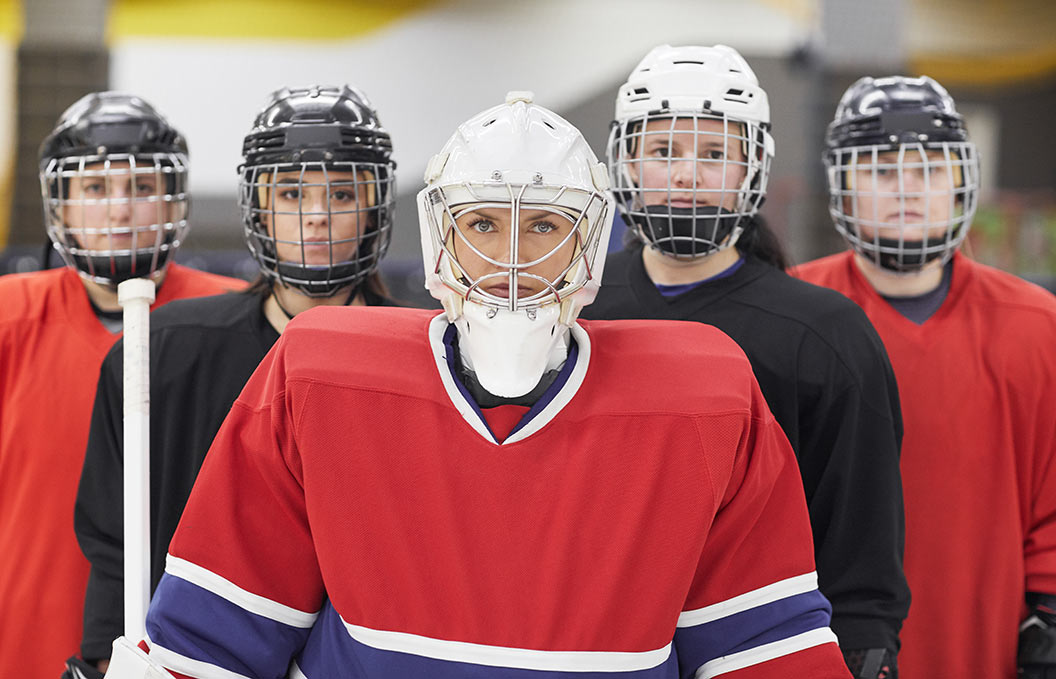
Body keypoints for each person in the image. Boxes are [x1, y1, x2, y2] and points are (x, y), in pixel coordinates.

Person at [101, 92, 851, 679]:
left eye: (545, 226)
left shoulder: (705, 398)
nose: (513, 260)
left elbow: (763, 649)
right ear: (441, 237)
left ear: (588, 245)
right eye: (484, 224)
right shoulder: (319, 376)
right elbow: (213, 643)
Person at [581, 45, 909, 678]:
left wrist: (865, 648)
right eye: (663, 152)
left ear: (751, 166)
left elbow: (859, 540)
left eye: (712, 154)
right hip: (602, 642)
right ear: (625, 161)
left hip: (761, 645)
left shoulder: (825, 333)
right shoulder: (577, 302)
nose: (686, 175)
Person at [68, 84, 399, 677]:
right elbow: (113, 540)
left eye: (343, 192)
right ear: (259, 207)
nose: (317, 215)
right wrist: (101, 658)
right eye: (293, 192)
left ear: (377, 207)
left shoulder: (424, 362)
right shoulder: (161, 350)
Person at [793, 75, 1056, 679]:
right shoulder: (789, 312)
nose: (906, 190)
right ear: (843, 184)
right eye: (881, 170)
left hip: (982, 647)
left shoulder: (1035, 325)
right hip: (824, 647)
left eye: (930, 170)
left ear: (961, 181)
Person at [0, 92, 245, 679]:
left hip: (181, 650)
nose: (120, 211)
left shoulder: (235, 317)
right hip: (17, 643)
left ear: (173, 200)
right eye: (95, 189)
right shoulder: (0, 314)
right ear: (62, 205)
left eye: (143, 189)